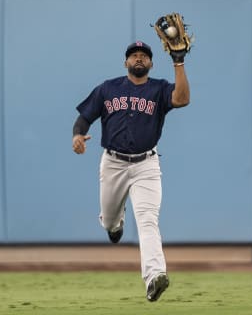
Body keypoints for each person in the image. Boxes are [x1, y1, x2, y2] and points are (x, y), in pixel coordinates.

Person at [72, 40, 190, 302]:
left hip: (146, 165)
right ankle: (114, 223)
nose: (139, 58)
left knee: (148, 220)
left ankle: (154, 276)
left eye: (144, 56)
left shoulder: (159, 89)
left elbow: (182, 99)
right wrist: (78, 136)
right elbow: (84, 118)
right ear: (125, 62)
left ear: (151, 63)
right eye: (134, 55)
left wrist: (178, 61)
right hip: (113, 163)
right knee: (111, 221)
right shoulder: (108, 88)